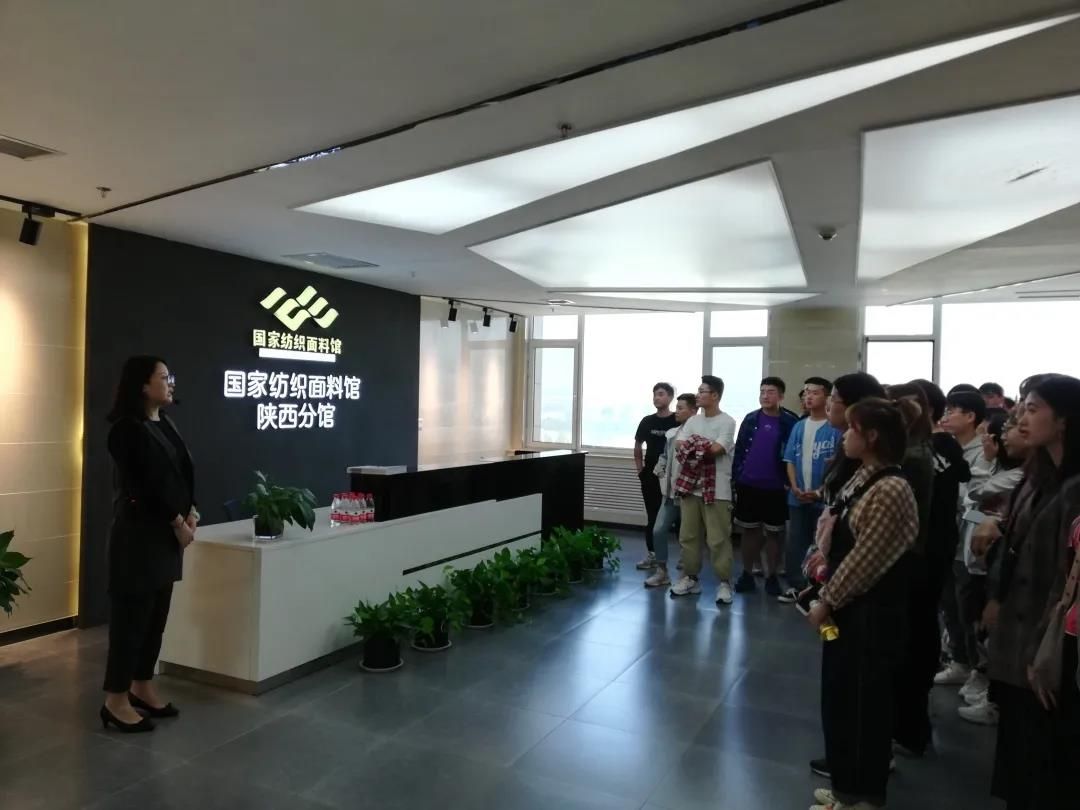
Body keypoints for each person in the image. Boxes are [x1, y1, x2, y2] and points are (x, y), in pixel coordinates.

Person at [808, 398, 919, 810]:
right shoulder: (862, 476)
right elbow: (836, 530)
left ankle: (862, 797)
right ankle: (845, 788)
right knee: (840, 700)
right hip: (849, 610)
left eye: (851, 428)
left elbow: (865, 560)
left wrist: (827, 599)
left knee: (862, 707)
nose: (843, 435)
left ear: (872, 436)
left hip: (871, 613)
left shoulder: (891, 487)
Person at [981, 373, 1080, 808]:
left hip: (1048, 642)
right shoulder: (1037, 475)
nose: (1020, 417)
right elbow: (1015, 542)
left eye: (1033, 409)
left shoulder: (1074, 489)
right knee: (1019, 750)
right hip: (1018, 631)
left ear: (1064, 420)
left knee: (1044, 757)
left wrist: (1042, 645)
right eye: (1021, 407)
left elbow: (1065, 579)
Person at [101, 356, 197, 733]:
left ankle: (141, 686)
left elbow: (179, 475)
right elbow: (142, 488)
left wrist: (192, 511)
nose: (171, 382)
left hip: (165, 539)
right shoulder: (125, 430)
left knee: (155, 620)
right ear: (143, 385)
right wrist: (177, 522)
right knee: (130, 622)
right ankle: (115, 699)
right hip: (138, 539)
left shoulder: (165, 422)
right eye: (163, 377)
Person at [955, 412, 1025, 726]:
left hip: (995, 568)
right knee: (974, 623)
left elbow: (974, 494)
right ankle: (980, 677)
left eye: (993, 434)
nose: (987, 439)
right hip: (977, 560)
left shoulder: (1018, 476)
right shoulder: (1003, 471)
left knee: (988, 628)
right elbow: (969, 505)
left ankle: (991, 691)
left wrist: (989, 520)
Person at [884, 382, 937, 756]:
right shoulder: (912, 453)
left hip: (906, 566)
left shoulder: (912, 460)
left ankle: (904, 731)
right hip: (911, 564)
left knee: (907, 651)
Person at [935, 389, 989, 688]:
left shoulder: (984, 452)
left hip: (968, 542)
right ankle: (959, 661)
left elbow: (983, 506)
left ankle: (977, 670)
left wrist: (968, 518)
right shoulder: (950, 447)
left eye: (952, 411)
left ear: (970, 416)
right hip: (948, 538)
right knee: (950, 606)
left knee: (968, 608)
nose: (945, 417)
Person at [670, 375, 737, 605]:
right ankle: (691, 578)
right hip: (691, 487)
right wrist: (702, 444)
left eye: (702, 391)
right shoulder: (693, 421)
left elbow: (717, 449)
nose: (697, 395)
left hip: (717, 489)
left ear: (715, 395)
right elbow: (679, 444)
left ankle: (725, 583)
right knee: (688, 536)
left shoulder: (727, 422)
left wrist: (695, 444)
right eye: (698, 391)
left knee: (718, 539)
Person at [732, 377, 799, 597]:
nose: (765, 395)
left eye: (770, 391)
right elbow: (740, 449)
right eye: (762, 391)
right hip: (748, 484)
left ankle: (771, 576)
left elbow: (793, 455)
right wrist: (737, 476)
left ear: (781, 396)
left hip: (776, 487)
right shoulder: (751, 419)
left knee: (774, 533)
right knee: (749, 530)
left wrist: (789, 482)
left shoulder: (790, 421)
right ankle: (747, 574)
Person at [779, 377, 842, 602]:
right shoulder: (799, 426)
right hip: (797, 497)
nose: (808, 396)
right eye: (806, 392)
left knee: (823, 544)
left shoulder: (835, 428)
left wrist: (819, 491)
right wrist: (795, 487)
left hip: (824, 499)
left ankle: (818, 588)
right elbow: (790, 460)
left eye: (815, 392)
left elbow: (839, 465)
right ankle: (796, 585)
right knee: (795, 542)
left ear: (827, 396)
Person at [644, 393, 697, 588]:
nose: (677, 411)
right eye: (677, 407)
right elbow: (665, 455)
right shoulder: (672, 433)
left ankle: (688, 575)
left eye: (681, 408)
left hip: (691, 494)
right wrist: (660, 467)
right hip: (670, 492)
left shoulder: (699, 434)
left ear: (693, 411)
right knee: (658, 530)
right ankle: (662, 571)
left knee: (688, 536)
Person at [634, 383, 677, 570]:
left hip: (673, 477)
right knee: (652, 516)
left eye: (661, 394)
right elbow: (638, 446)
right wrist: (640, 470)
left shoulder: (677, 420)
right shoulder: (647, 421)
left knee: (679, 518)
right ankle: (652, 555)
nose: (656, 398)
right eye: (655, 394)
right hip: (650, 477)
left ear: (670, 397)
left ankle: (684, 558)